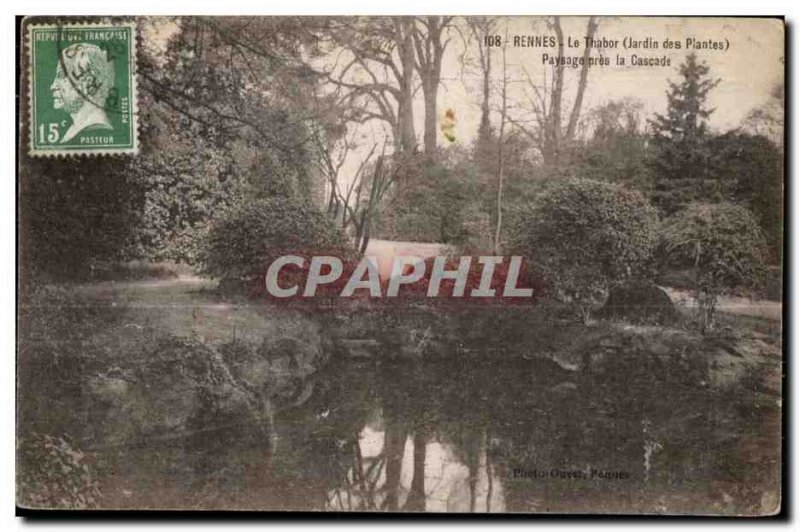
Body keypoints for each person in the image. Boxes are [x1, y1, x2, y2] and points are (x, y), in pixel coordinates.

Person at [49, 43, 115, 143]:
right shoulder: (74, 129)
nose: (53, 86)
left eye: (62, 75)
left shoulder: (95, 129)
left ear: (88, 83)